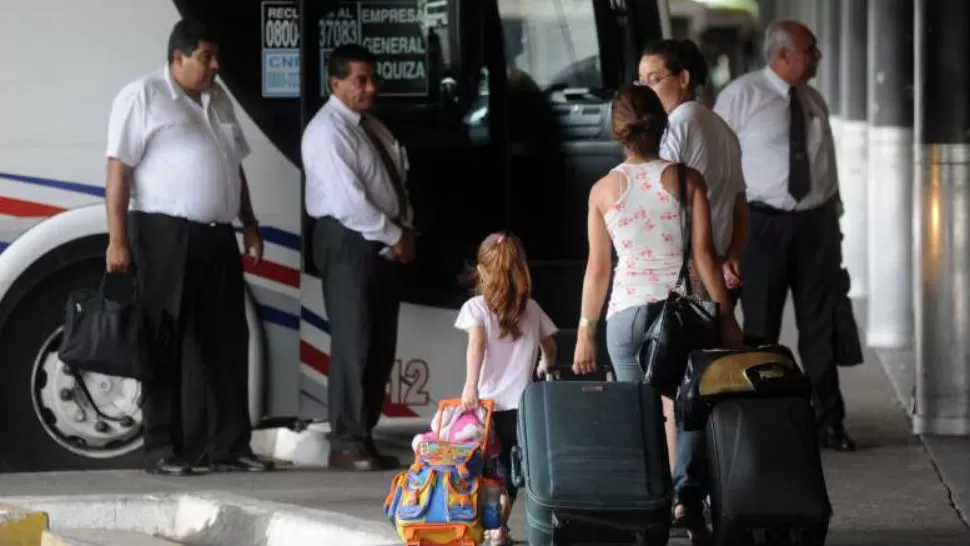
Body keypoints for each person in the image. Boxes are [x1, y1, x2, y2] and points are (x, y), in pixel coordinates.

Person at [571, 83, 743, 544]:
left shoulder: (603, 190)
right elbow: (706, 257)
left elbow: (598, 270)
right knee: (686, 409)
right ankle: (685, 499)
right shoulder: (687, 180)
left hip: (625, 317)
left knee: (638, 417)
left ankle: (646, 514)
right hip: (682, 314)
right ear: (662, 125)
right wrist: (726, 317)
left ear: (618, 131)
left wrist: (585, 332)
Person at [104, 18, 272, 476]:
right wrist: (117, 239)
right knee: (165, 340)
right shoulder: (143, 96)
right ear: (177, 58)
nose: (215, 66)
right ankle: (162, 448)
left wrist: (250, 223)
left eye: (215, 57)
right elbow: (118, 170)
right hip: (163, 234)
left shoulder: (217, 98)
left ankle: (229, 445)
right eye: (205, 57)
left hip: (218, 234)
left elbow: (233, 167)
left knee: (227, 340)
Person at [713, 20, 856, 452]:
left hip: (816, 224)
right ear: (784, 55)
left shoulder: (813, 100)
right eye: (810, 50)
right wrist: (726, 238)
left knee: (821, 325)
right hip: (762, 224)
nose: (817, 57)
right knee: (761, 325)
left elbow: (824, 164)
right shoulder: (741, 96)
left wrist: (835, 215)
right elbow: (720, 166)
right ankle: (765, 423)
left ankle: (829, 421)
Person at [639, 38, 749, 534]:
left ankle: (679, 498)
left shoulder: (678, 126)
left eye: (654, 78)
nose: (646, 89)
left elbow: (665, 203)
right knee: (706, 389)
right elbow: (742, 207)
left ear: (683, 78)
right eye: (641, 80)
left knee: (673, 395)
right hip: (718, 277)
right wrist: (732, 258)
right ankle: (697, 491)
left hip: (686, 281)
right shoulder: (722, 127)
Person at [301, 43, 416, 471]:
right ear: (335, 83)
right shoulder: (327, 131)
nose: (370, 87)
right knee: (355, 341)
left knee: (379, 344)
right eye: (359, 80)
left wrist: (402, 231)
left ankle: (362, 434)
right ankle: (346, 441)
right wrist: (394, 234)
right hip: (349, 240)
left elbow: (394, 184)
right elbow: (350, 202)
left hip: (377, 240)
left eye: (371, 78)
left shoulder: (370, 126)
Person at [456, 232, 558, 546]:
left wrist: (470, 386)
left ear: (482, 271)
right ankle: (501, 527)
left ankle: (482, 523)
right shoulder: (533, 308)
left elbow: (476, 344)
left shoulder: (476, 308)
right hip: (522, 407)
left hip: (486, 407)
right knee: (512, 469)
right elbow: (550, 347)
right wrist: (545, 366)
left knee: (484, 467)